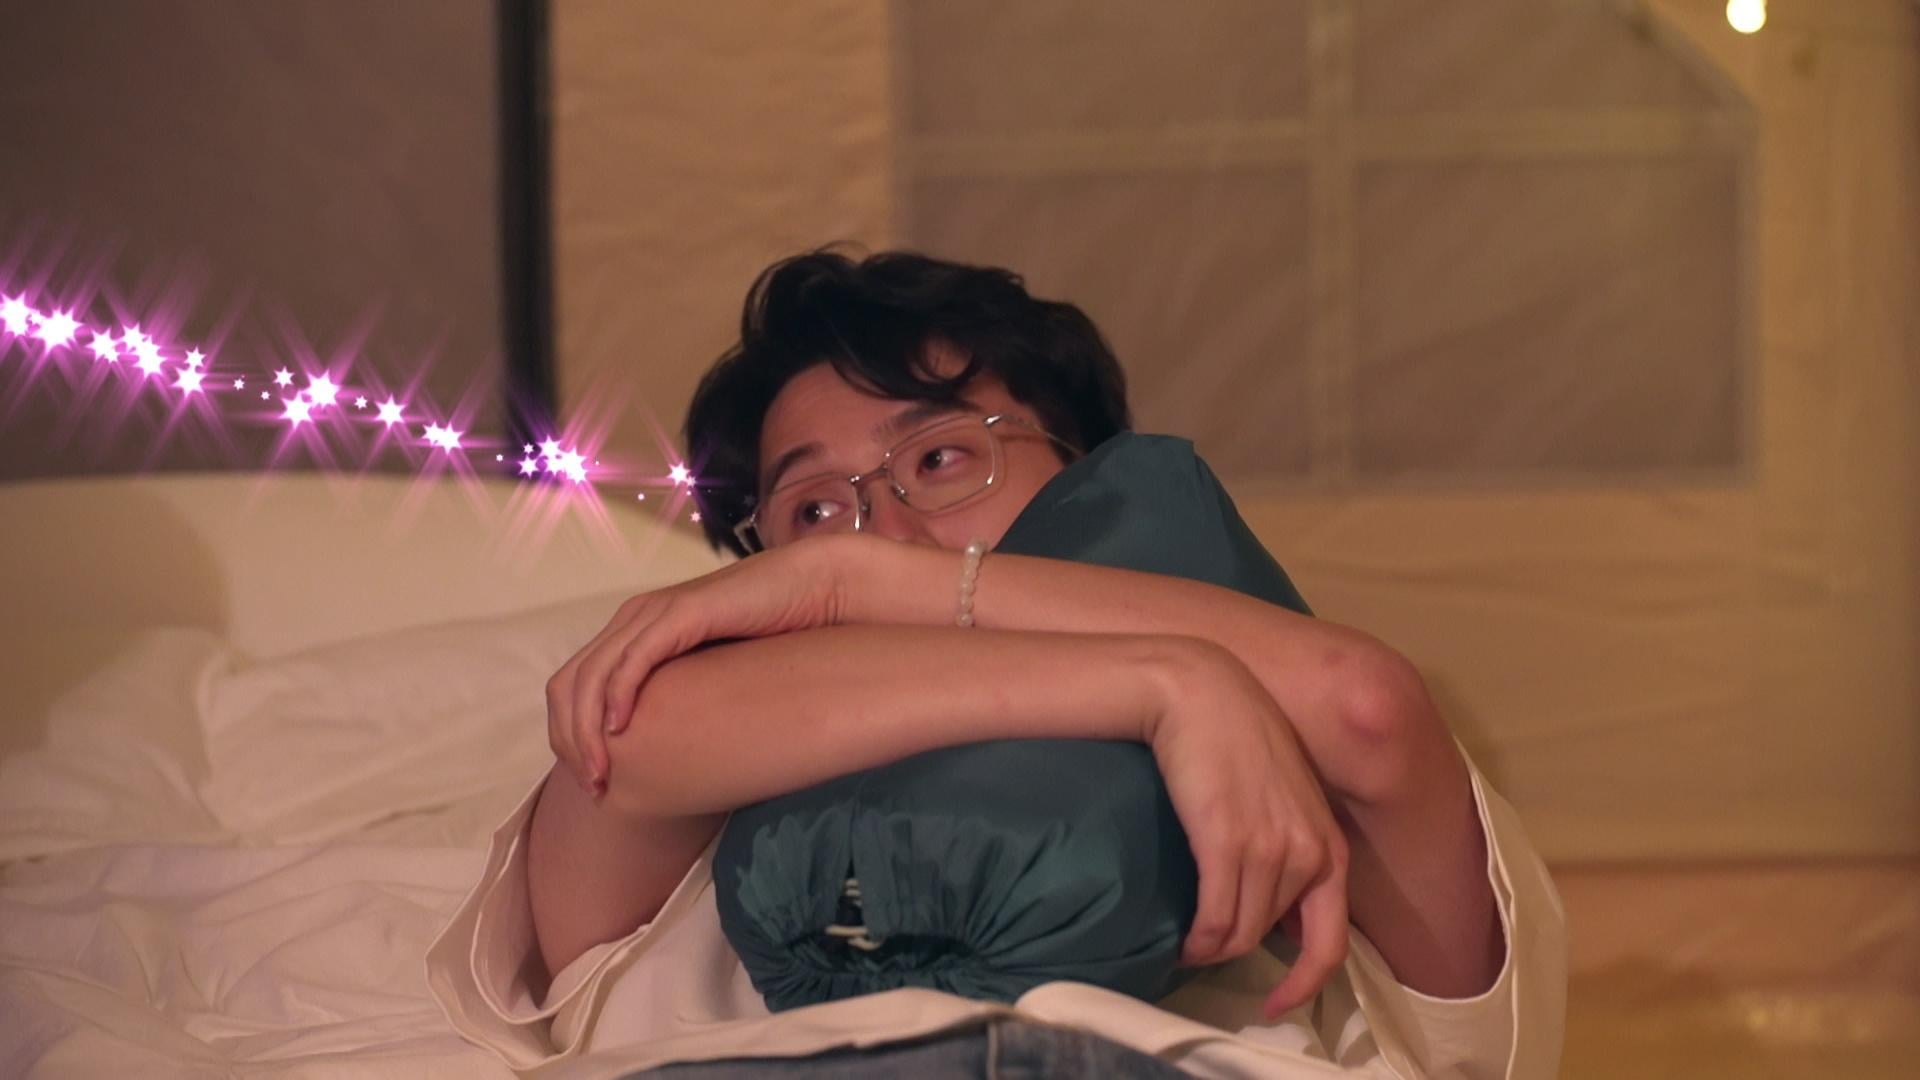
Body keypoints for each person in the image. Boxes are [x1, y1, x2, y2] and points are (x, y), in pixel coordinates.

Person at [424, 248, 1567, 1079]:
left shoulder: (1282, 733)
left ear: (1092, 480)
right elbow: (622, 742)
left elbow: (1366, 709)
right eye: (815, 509)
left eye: (940, 458)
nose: (887, 531)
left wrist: (866, 583)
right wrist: (1164, 685)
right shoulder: (705, 776)